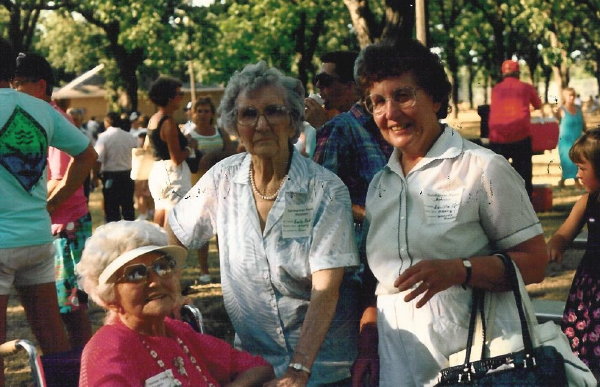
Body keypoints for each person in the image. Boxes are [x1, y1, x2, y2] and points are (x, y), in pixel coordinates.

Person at [352, 39, 548, 387]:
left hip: (477, 358)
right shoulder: (381, 184)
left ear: (437, 98)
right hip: (398, 359)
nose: (390, 113)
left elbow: (535, 262)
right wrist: (368, 346)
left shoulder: (482, 168)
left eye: (403, 96)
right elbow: (379, 281)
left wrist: (462, 270)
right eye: (377, 102)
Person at [167, 61, 360, 386]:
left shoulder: (325, 190)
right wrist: (171, 290)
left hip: (321, 365)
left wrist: (299, 369)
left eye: (274, 111)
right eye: (248, 114)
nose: (261, 124)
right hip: (253, 365)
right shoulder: (223, 178)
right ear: (234, 124)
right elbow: (177, 230)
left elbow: (326, 290)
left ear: (293, 120)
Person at [0, 38, 97, 385]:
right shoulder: (41, 109)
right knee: (55, 342)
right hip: (38, 238)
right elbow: (88, 155)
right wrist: (51, 204)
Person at [76, 220, 274, 386]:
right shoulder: (108, 350)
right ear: (109, 295)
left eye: (162, 267)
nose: (155, 281)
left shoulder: (178, 333)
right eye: (136, 273)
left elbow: (258, 368)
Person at [547, 129, 600, 379]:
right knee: (583, 351)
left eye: (582, 169)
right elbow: (563, 234)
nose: (578, 175)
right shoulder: (587, 201)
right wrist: (555, 246)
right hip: (590, 287)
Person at [182, 97, 236, 284]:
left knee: (224, 230)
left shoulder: (220, 132)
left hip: (224, 187)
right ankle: (204, 271)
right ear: (193, 113)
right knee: (203, 230)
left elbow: (232, 153)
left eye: (207, 111)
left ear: (212, 113)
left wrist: (212, 156)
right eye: (200, 111)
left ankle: (225, 270)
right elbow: (189, 164)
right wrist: (197, 154)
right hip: (200, 188)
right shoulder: (189, 137)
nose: (203, 114)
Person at [488, 59, 542, 198]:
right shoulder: (526, 87)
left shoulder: (496, 89)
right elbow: (538, 105)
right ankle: (526, 202)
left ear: (503, 74)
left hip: (497, 136)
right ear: (518, 73)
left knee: (497, 174)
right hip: (520, 135)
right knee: (523, 172)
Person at [146, 76, 194, 227]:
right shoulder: (168, 122)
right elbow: (176, 158)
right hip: (172, 174)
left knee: (160, 211)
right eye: (179, 94)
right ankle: (171, 249)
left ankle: (158, 248)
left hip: (157, 171)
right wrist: (190, 147)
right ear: (169, 97)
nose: (181, 98)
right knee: (175, 219)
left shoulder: (154, 119)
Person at [93, 112, 138, 223]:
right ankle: (130, 233)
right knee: (128, 208)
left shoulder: (104, 137)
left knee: (112, 210)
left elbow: (98, 159)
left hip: (111, 176)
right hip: (128, 175)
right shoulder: (130, 136)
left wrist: (94, 177)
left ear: (107, 122)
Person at [554, 87, 586, 188]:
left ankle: (564, 180)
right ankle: (574, 181)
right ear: (565, 97)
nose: (571, 98)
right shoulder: (561, 110)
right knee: (568, 160)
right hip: (565, 140)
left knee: (579, 159)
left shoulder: (579, 109)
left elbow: (583, 124)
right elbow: (556, 122)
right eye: (569, 95)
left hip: (578, 139)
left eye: (573, 95)